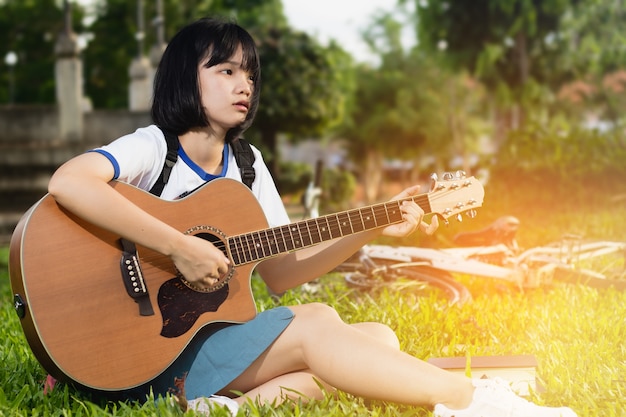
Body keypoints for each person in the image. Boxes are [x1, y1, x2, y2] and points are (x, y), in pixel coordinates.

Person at [48, 17, 577, 417]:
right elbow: (68, 182)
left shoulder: (250, 169)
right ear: (186, 80)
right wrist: (180, 247)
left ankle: (228, 408)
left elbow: (281, 274)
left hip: (206, 348)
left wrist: (372, 223)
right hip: (147, 354)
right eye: (227, 70)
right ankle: (471, 402)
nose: (244, 85)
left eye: (249, 74)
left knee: (374, 342)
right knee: (322, 325)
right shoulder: (153, 149)